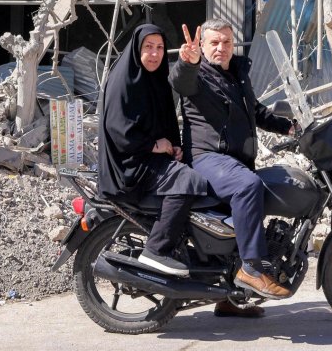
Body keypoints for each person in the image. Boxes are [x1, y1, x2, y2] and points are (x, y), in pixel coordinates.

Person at [169, 19, 296, 313]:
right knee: (247, 186)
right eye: (214, 42)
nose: (221, 48)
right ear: (202, 46)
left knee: (247, 209)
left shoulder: (237, 73)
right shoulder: (197, 73)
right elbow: (180, 83)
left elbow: (256, 111)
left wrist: (290, 128)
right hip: (205, 158)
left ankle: (229, 299)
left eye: (226, 42)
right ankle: (252, 269)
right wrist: (187, 63)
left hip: (234, 160)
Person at [98, 24, 208, 278]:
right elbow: (118, 129)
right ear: (137, 49)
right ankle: (156, 249)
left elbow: (166, 119)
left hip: (147, 156)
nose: (155, 54)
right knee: (187, 180)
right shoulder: (123, 81)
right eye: (148, 47)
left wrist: (174, 145)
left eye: (159, 48)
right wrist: (153, 145)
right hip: (130, 163)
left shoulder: (157, 78)